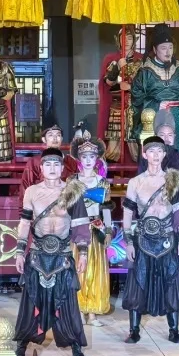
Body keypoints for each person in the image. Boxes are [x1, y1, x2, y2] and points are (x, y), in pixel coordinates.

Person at [12, 147, 93, 356]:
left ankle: (76, 350)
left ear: (62, 167)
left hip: (63, 255)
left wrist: (83, 253)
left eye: (56, 164)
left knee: (67, 303)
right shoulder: (31, 192)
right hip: (37, 254)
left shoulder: (72, 191)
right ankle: (21, 348)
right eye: (47, 164)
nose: (52, 168)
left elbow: (80, 225)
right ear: (41, 167)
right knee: (31, 302)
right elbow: (25, 223)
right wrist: (19, 251)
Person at [123, 135, 179, 342]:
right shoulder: (135, 182)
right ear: (144, 154)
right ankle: (134, 330)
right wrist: (128, 242)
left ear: (164, 154)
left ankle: (174, 331)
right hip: (143, 239)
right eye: (151, 151)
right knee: (138, 282)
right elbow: (127, 215)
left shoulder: (173, 180)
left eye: (159, 151)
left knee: (171, 283)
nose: (155, 155)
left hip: (167, 239)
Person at [132, 24, 179, 152]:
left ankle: (177, 162)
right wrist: (156, 105)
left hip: (177, 113)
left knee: (177, 150)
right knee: (154, 148)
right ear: (155, 50)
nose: (168, 52)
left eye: (170, 48)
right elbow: (136, 96)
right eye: (164, 48)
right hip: (153, 113)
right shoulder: (145, 70)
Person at [73, 136, 114, 329]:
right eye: (84, 156)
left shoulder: (102, 182)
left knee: (95, 270)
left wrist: (108, 230)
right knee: (79, 270)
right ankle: (79, 310)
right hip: (77, 229)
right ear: (79, 159)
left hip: (96, 229)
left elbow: (106, 209)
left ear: (97, 158)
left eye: (92, 156)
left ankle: (92, 313)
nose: (88, 160)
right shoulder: (72, 181)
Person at [136, 110, 179, 214]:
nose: (166, 139)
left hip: (178, 208)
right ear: (156, 136)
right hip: (153, 210)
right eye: (162, 135)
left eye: (170, 135)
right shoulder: (147, 158)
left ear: (174, 137)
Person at [100, 44, 145, 163]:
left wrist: (130, 87)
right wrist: (118, 66)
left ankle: (140, 165)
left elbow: (146, 85)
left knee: (134, 140)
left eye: (130, 38)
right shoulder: (114, 61)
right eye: (125, 38)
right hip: (117, 105)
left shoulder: (140, 62)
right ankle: (112, 168)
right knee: (113, 143)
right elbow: (109, 82)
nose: (127, 41)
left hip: (135, 106)